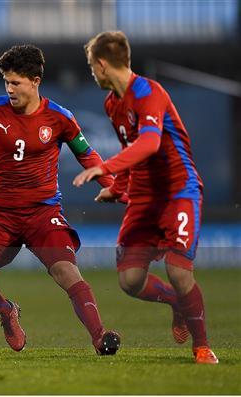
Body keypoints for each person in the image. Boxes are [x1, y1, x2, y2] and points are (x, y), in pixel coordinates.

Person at [0, 44, 120, 354]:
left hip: (43, 213)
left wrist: (112, 184)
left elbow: (88, 155)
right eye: (6, 82)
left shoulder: (60, 118)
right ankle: (6, 311)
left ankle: (100, 337)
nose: (9, 89)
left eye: (15, 82)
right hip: (0, 212)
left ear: (35, 80)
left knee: (66, 271)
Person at [73, 31, 218, 364]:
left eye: (92, 67)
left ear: (102, 64)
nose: (92, 74)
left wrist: (104, 168)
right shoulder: (112, 104)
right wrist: (119, 187)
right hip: (143, 195)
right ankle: (178, 304)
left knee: (179, 272)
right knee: (130, 280)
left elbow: (150, 144)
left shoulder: (149, 92)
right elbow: (132, 151)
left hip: (178, 191)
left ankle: (203, 347)